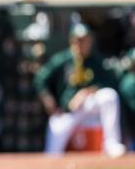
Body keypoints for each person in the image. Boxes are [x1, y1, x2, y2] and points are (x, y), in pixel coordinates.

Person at [33, 23, 126, 157]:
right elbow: (40, 80)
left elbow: (109, 82)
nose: (82, 43)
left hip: (88, 107)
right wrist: (49, 101)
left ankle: (111, 143)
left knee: (109, 96)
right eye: (78, 40)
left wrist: (86, 92)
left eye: (85, 40)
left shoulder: (95, 61)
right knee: (52, 153)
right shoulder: (62, 59)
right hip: (67, 112)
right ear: (72, 41)